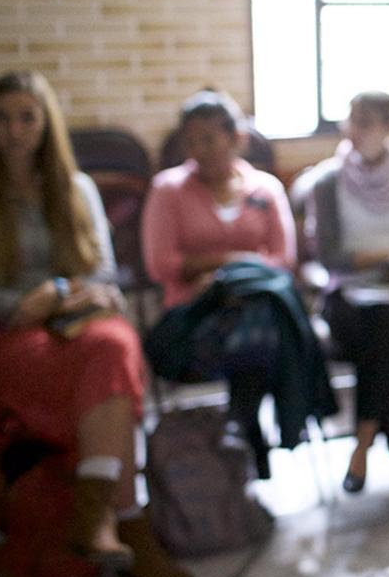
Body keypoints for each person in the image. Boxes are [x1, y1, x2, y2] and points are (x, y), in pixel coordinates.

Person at [0, 70, 193, 577]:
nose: (14, 131)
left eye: (27, 117)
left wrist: (59, 293)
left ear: (46, 123)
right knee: (112, 372)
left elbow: (103, 275)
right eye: (1, 118)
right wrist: (25, 304)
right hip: (3, 331)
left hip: (70, 322)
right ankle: (126, 521)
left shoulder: (78, 189)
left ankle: (96, 514)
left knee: (115, 341)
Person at [142, 89, 336, 480]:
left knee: (262, 310)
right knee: (272, 323)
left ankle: (241, 425)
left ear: (236, 138)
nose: (199, 150)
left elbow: (283, 260)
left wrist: (228, 274)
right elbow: (161, 264)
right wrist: (232, 265)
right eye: (190, 141)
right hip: (194, 318)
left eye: (208, 139)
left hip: (257, 310)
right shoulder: (168, 190)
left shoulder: (264, 189)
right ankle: (249, 427)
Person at [305, 91, 389, 494]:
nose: (353, 131)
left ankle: (363, 443)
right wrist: (388, 257)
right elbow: (330, 256)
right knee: (385, 329)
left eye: (363, 122)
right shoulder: (329, 180)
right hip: (348, 298)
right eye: (351, 121)